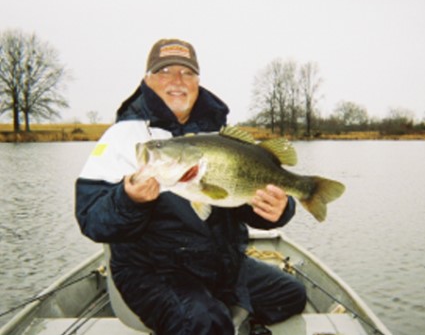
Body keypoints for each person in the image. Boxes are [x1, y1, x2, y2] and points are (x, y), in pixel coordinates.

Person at [75, 38, 306, 335]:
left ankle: (225, 313)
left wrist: (278, 210)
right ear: (147, 79)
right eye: (164, 71)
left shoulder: (218, 134)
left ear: (198, 80)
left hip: (221, 264)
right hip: (153, 271)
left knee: (291, 295)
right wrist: (129, 199)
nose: (176, 81)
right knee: (203, 322)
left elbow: (237, 199)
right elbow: (91, 219)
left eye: (186, 73)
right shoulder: (123, 138)